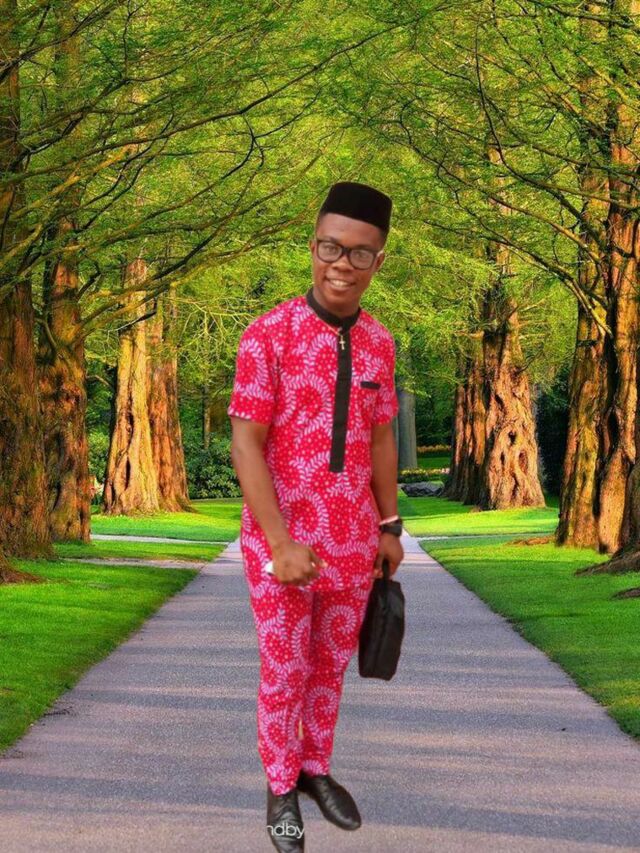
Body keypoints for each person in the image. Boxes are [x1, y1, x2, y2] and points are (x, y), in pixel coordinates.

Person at [227, 180, 404, 852]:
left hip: (352, 542)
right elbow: (246, 443)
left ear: (377, 261)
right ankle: (280, 790)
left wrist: (389, 526)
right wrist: (279, 542)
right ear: (313, 247)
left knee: (329, 669)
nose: (341, 264)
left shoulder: (380, 343)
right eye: (331, 247)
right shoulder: (267, 335)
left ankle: (315, 768)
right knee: (285, 671)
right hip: (283, 542)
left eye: (358, 253)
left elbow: (381, 439)